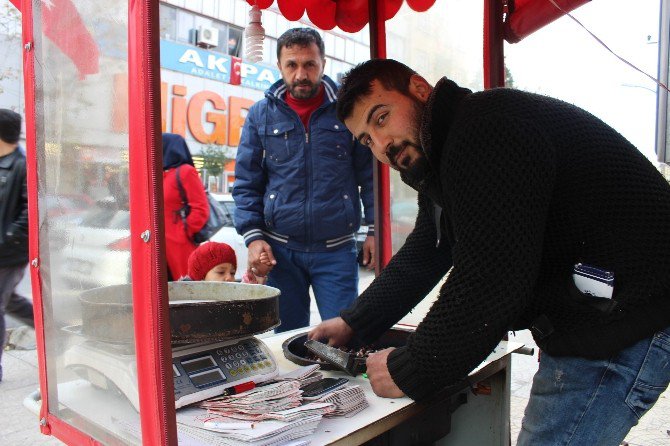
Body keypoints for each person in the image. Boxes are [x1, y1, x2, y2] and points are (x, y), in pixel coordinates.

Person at [308, 59, 670, 445]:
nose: (382, 146)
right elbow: (427, 252)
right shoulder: (450, 152)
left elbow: (490, 278)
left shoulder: (484, 128)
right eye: (366, 140)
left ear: (419, 88)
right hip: (605, 312)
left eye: (381, 119)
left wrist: (411, 369)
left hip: (626, 319)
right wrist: (355, 322)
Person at [233, 28, 376, 332]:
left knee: (345, 337)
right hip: (280, 254)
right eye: (292, 65)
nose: (301, 74)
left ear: (323, 63)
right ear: (280, 66)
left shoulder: (348, 111)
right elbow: (246, 182)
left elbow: (370, 175)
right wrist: (254, 236)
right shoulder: (261, 115)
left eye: (309, 64)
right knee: (286, 342)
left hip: (337, 252)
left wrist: (375, 229)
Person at [0, 109, 34, 382]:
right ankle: (53, 333)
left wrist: (9, 236)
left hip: (8, 252)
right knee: (10, 302)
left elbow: (30, 209)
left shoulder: (22, 165)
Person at [162, 133, 209, 280]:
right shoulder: (162, 175)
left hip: (179, 244)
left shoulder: (185, 172)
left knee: (183, 291)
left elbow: (201, 208)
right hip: (160, 243)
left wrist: (184, 231)